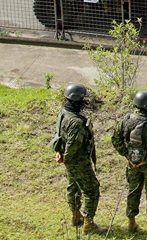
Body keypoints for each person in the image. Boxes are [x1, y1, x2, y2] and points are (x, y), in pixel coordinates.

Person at [111, 90, 147, 235]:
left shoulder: (126, 120)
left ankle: (131, 224)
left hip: (132, 165)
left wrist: (128, 155)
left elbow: (115, 139)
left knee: (133, 192)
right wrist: (146, 160)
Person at [52, 84, 99, 233]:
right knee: (91, 190)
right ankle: (89, 223)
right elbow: (72, 144)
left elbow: (59, 134)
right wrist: (65, 155)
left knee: (73, 187)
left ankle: (76, 216)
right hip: (78, 161)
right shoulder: (77, 122)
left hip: (68, 160)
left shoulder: (63, 113)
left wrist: (59, 152)